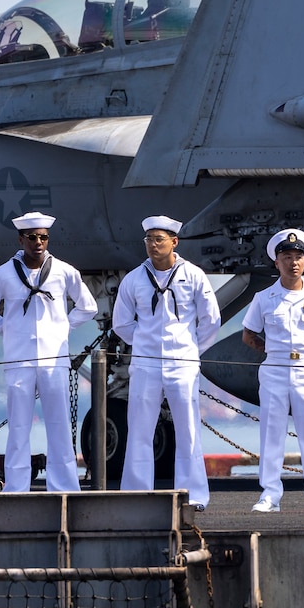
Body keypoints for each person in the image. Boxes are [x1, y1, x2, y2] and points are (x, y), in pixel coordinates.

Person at [0, 212, 97, 493]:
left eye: (43, 237)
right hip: (19, 359)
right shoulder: (3, 274)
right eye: (32, 237)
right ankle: (16, 486)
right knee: (18, 426)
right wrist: (9, 330)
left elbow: (87, 306)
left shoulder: (65, 271)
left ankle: (64, 484)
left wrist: (64, 326)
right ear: (21, 239)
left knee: (59, 424)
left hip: (54, 358)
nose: (38, 242)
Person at [114, 215, 221, 510]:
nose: (152, 245)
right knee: (139, 430)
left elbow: (211, 320)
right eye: (148, 240)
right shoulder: (134, 278)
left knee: (188, 430)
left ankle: (194, 495)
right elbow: (121, 323)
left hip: (182, 362)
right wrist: (146, 341)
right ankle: (135, 495)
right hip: (146, 363)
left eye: (158, 239)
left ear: (174, 242)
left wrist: (191, 348)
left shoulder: (194, 275)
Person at [241, 230, 304, 513]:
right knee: (271, 433)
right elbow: (248, 334)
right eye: (287, 257)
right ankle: (270, 495)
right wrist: (269, 350)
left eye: (298, 257)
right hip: (274, 368)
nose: (293, 263)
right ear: (277, 262)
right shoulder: (264, 297)